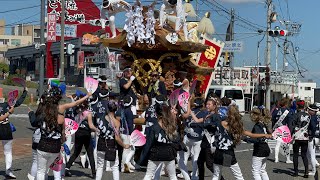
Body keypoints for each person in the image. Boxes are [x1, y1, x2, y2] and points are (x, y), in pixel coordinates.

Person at [36, 86, 92, 180]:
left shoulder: (43, 108)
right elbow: (76, 103)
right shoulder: (61, 108)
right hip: (55, 146)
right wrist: (87, 95)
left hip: (42, 144)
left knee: (41, 171)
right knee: (56, 169)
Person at [211, 105, 272, 180]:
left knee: (216, 175)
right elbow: (251, 134)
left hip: (218, 152)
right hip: (228, 152)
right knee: (238, 176)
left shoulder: (219, 123)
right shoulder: (234, 125)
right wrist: (264, 135)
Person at [139, 102, 179, 180]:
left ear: (156, 114)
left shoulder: (153, 127)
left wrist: (141, 159)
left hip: (155, 153)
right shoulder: (172, 126)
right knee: (173, 176)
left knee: (149, 175)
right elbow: (176, 140)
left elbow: (148, 144)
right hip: (169, 152)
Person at [65, 94, 99, 178]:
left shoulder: (76, 110)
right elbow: (91, 126)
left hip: (78, 132)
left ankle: (67, 167)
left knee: (76, 152)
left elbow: (74, 103)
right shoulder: (88, 113)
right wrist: (98, 130)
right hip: (86, 134)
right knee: (90, 153)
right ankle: (94, 173)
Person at [95, 100, 130, 180]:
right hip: (111, 144)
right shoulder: (117, 122)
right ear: (116, 109)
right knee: (114, 166)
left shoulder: (102, 118)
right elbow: (117, 138)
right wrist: (124, 145)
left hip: (101, 143)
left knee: (100, 166)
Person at [0, 87, 28, 179]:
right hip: (5, 129)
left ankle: (9, 171)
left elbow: (18, 102)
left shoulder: (7, 104)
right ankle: (8, 171)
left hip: (5, 129)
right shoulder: (7, 104)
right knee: (8, 152)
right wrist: (25, 92)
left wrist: (25, 92)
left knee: (8, 151)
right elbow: (18, 103)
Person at [178, 97, 207, 180]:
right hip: (198, 138)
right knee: (196, 157)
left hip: (187, 136)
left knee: (184, 156)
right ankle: (194, 175)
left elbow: (183, 121)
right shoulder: (205, 113)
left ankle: (182, 173)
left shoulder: (189, 111)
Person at [197, 97, 221, 180]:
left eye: (209, 104)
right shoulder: (207, 115)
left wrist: (209, 125)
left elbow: (217, 127)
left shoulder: (216, 116)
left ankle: (221, 178)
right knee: (199, 162)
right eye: (206, 104)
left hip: (210, 142)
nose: (207, 106)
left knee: (209, 164)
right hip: (204, 142)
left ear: (214, 106)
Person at [245, 106, 272, 180]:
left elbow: (256, 139)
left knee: (255, 171)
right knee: (262, 170)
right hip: (266, 148)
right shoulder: (264, 125)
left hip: (259, 149)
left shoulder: (257, 126)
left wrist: (245, 139)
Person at [290, 100, 310, 178]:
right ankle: (306, 172)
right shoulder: (308, 115)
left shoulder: (295, 115)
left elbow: (292, 126)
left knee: (295, 155)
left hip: (297, 137)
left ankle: (296, 172)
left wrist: (290, 135)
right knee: (304, 155)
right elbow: (310, 126)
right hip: (305, 137)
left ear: (297, 106)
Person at [116, 95, 135, 173]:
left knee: (124, 149)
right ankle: (124, 166)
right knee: (127, 149)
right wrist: (132, 133)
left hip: (121, 131)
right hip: (127, 132)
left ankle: (127, 164)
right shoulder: (129, 111)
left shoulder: (121, 109)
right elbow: (130, 124)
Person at [272, 97, 294, 163]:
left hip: (277, 128)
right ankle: (288, 159)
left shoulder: (276, 110)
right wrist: (290, 132)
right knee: (286, 144)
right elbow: (290, 122)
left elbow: (273, 119)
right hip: (284, 128)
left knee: (277, 144)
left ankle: (276, 158)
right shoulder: (287, 111)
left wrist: (273, 128)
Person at [306, 104, 319, 176]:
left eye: (309, 110)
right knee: (308, 154)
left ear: (313, 111)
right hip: (316, 137)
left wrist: (311, 135)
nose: (308, 110)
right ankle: (315, 164)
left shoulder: (313, 117)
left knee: (311, 155)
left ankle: (314, 170)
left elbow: (313, 127)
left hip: (313, 138)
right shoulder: (316, 117)